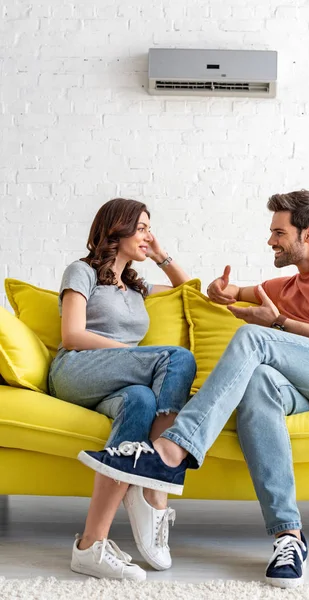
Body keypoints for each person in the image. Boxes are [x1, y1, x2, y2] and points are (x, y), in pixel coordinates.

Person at [78, 190, 309, 588]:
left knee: (255, 338)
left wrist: (278, 325)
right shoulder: (285, 286)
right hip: (305, 387)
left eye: (278, 232)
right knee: (257, 384)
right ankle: (288, 536)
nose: (270, 240)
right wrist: (221, 292)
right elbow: (222, 293)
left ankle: (171, 451)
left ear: (308, 234)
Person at [48, 198, 196, 580]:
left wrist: (160, 253)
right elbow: (72, 334)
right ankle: (155, 492)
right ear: (118, 229)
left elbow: (188, 290)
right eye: (143, 228)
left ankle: (90, 546)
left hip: (120, 384)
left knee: (142, 399)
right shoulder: (81, 272)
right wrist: (136, 357)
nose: (149, 235)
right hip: (76, 370)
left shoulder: (136, 286)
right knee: (177, 359)